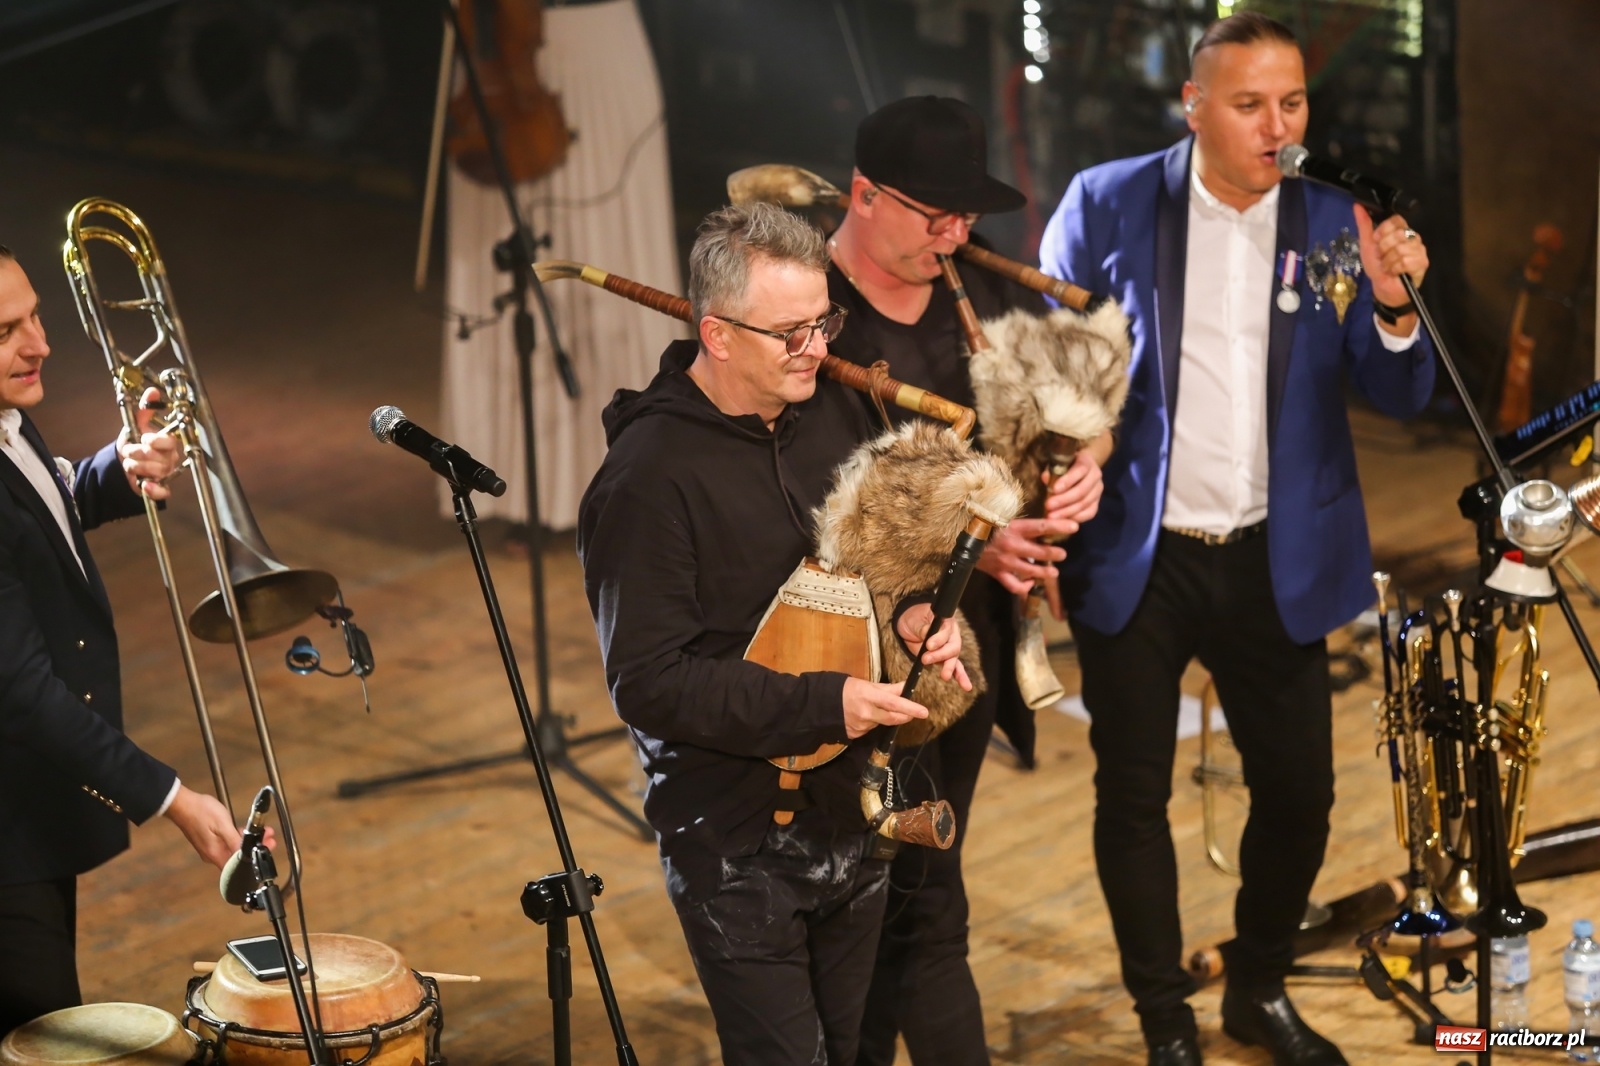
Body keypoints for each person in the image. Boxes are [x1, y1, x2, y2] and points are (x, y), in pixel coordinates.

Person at [1038, 13, 1434, 1066]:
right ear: (1195, 106)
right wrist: (1057, 455)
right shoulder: (1107, 201)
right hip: (1141, 548)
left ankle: (1254, 989)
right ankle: (1164, 1017)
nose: (1277, 124)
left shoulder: (1332, 220)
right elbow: (1045, 368)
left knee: (1300, 793)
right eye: (1251, 104)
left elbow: (1397, 388)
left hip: (1276, 554)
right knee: (1131, 794)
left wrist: (1395, 309)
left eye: (1292, 101)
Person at [576, 202, 972, 1066]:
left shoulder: (828, 413)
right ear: (716, 335)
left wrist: (906, 616)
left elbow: (871, 566)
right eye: (790, 333)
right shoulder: (647, 480)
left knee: (854, 1047)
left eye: (822, 322)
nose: (818, 349)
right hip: (738, 842)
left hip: (853, 810)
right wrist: (827, 702)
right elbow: (648, 681)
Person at [824, 95, 1108, 1066]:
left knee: (908, 903)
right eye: (931, 215)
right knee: (897, 909)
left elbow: (1074, 414)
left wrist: (1081, 466)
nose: (953, 236)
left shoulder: (968, 298)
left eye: (965, 219)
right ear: (863, 196)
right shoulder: (807, 321)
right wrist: (969, 539)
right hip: (859, 659)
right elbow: (813, 513)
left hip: (965, 656)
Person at [0, 246, 250, 1036]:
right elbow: (25, 695)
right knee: (35, 1039)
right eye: (7, 330)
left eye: (36, 315)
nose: (40, 344)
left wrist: (117, 470)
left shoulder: (7, 420)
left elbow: (38, 509)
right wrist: (174, 799)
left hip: (29, 815)